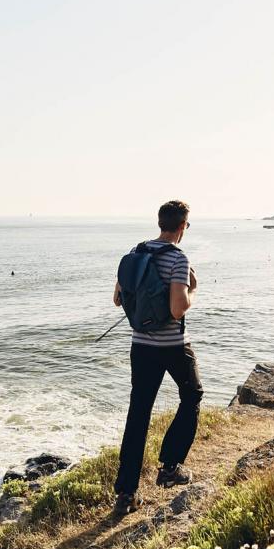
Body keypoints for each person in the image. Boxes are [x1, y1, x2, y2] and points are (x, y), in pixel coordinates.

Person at [112, 200, 203, 514]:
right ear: (182, 226)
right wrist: (193, 288)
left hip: (141, 346)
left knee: (138, 414)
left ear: (160, 222)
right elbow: (178, 309)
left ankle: (126, 495)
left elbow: (117, 298)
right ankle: (170, 468)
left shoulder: (136, 252)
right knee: (192, 395)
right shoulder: (179, 258)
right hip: (173, 346)